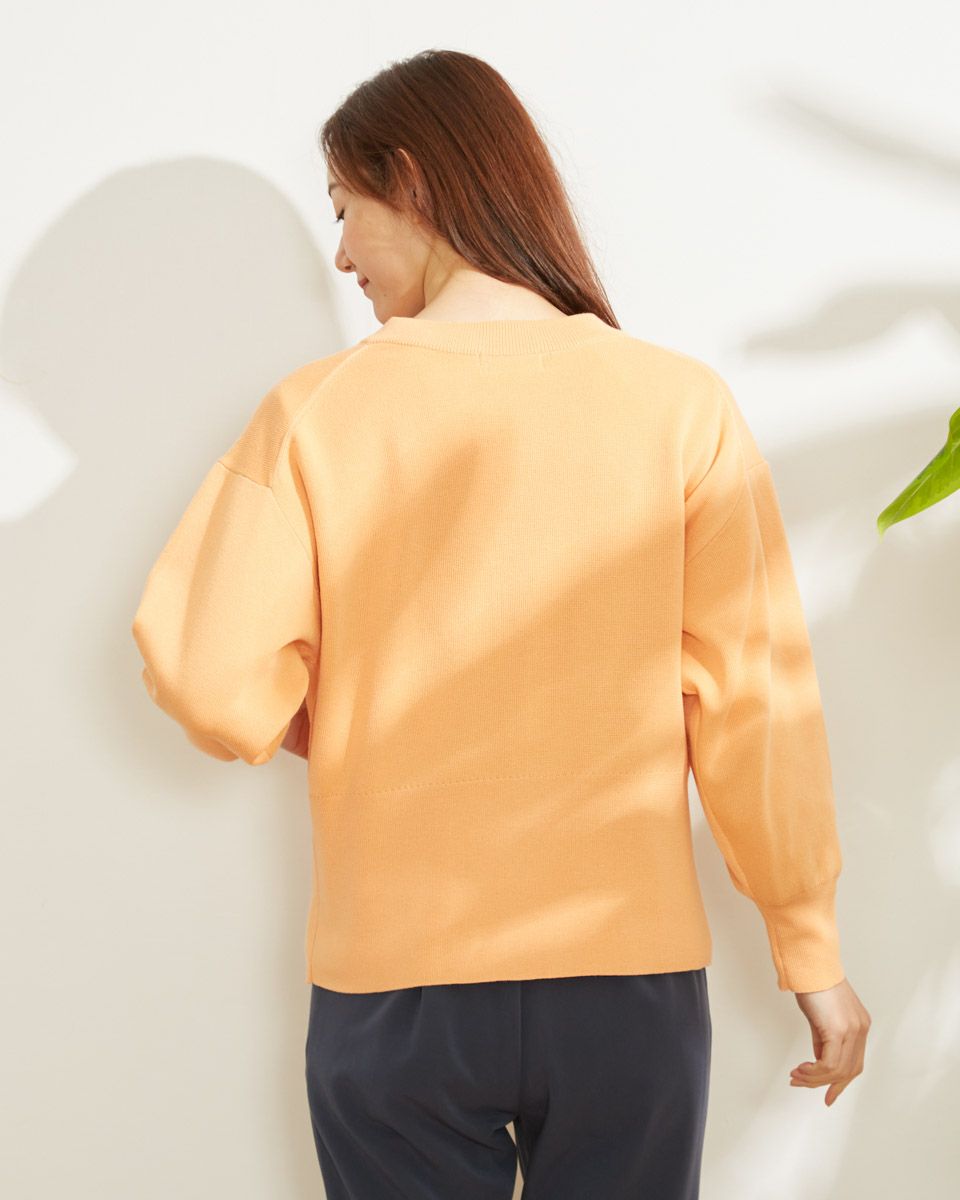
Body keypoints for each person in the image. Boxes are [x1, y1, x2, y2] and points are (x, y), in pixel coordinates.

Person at [131, 48, 871, 1199]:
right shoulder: (679, 405)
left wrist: (339, 718)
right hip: (627, 986)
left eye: (345, 208)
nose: (340, 254)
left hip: (393, 990)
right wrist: (808, 948)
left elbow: (204, 674)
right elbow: (755, 706)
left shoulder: (318, 412)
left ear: (412, 181)